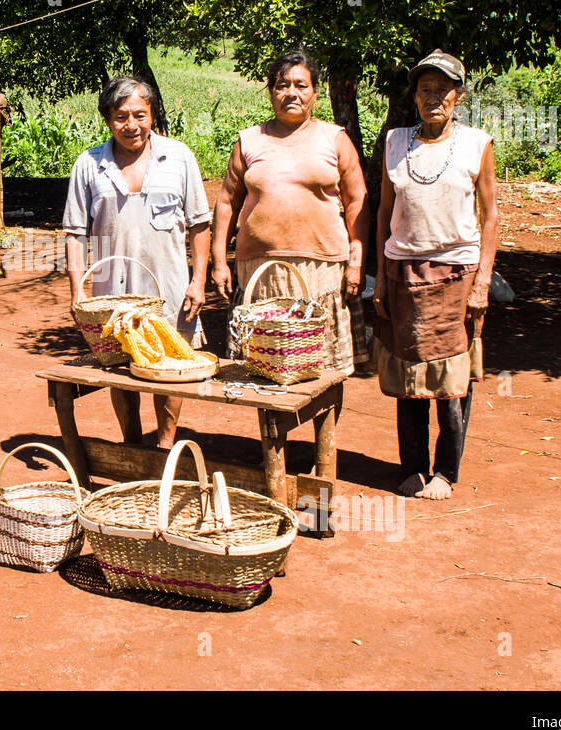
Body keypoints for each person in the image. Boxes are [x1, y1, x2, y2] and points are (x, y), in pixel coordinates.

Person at [373, 49, 499, 501]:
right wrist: (382, 280)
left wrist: (482, 280)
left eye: (443, 89)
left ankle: (446, 471)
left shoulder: (476, 144)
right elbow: (385, 212)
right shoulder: (394, 141)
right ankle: (412, 467)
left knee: (452, 380)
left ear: (459, 95)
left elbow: (491, 216)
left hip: (457, 274)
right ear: (415, 96)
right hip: (404, 272)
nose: (433, 98)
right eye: (425, 89)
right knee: (410, 379)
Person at [63, 76, 212, 450]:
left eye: (139, 115)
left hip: (170, 287)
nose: (131, 125)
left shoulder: (178, 157)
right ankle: (131, 444)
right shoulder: (89, 165)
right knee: (119, 369)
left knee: (168, 368)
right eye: (121, 116)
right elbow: (75, 234)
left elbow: (199, 224)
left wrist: (198, 281)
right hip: (110, 294)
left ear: (152, 114)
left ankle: (164, 446)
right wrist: (78, 291)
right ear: (108, 119)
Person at [211, 50, 368, 374]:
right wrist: (218, 263)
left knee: (323, 367)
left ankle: (325, 428)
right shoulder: (249, 141)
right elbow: (227, 201)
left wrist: (356, 262)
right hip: (259, 271)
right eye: (282, 85)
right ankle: (272, 427)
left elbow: (357, 201)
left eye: (301, 85)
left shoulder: (334, 139)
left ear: (314, 91)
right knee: (263, 364)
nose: (291, 93)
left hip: (322, 271)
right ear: (271, 92)